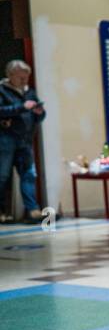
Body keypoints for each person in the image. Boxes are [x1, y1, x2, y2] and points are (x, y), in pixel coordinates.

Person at [0, 59, 45, 223]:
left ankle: (33, 210)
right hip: (6, 139)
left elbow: (38, 116)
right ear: (10, 75)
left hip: (25, 140)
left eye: (26, 78)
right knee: (2, 176)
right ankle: (2, 212)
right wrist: (21, 107)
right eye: (21, 78)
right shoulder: (2, 90)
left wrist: (40, 113)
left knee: (28, 175)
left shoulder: (29, 91)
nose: (25, 81)